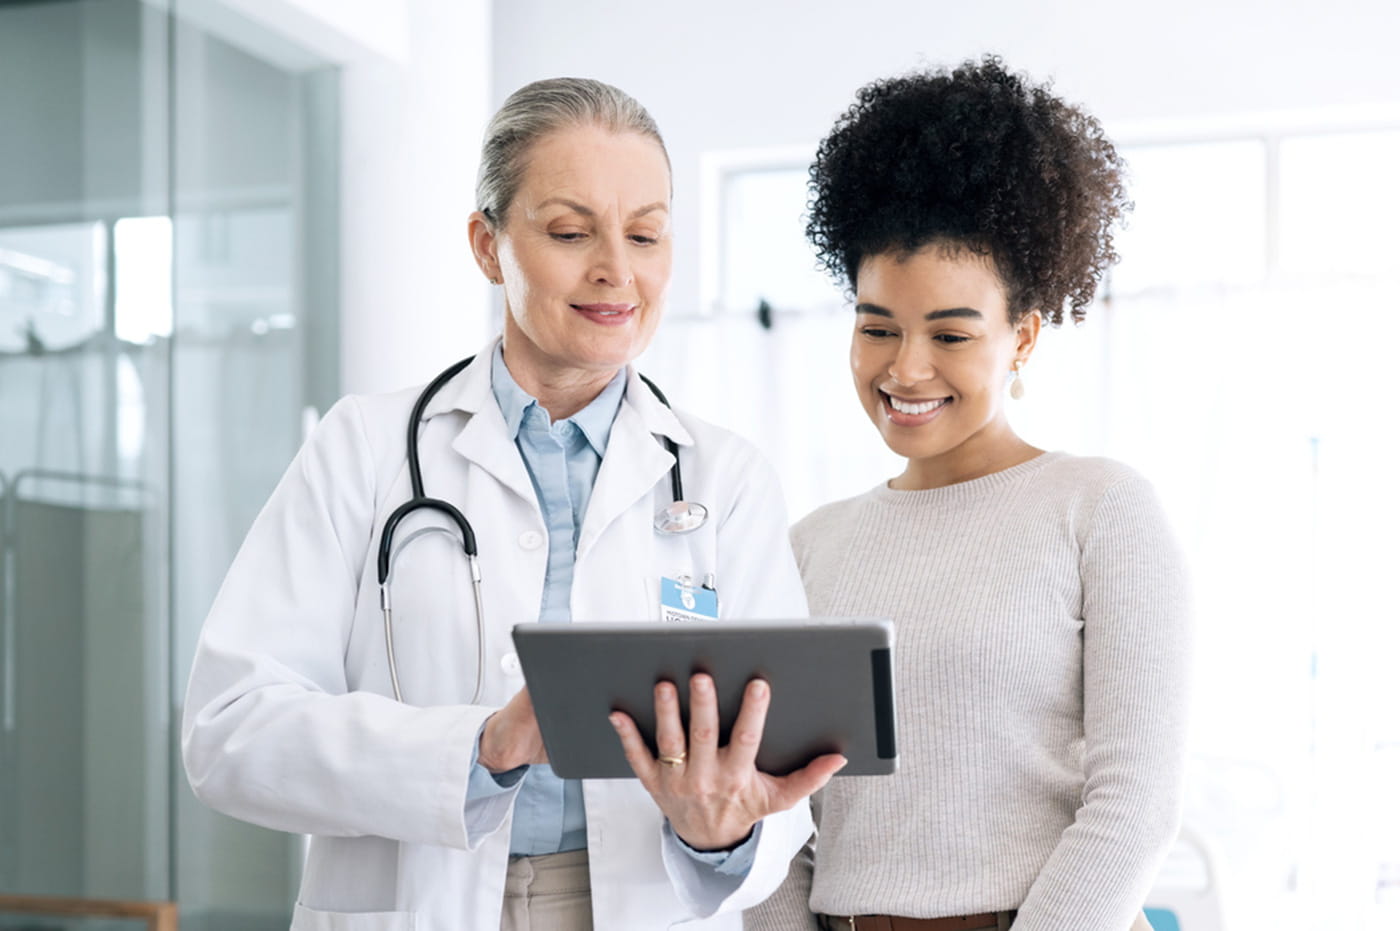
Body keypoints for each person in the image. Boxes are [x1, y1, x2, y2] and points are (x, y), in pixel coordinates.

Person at [181, 77, 844, 931]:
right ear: (488, 246)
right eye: (571, 231)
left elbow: (777, 766)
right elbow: (229, 730)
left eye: (646, 233)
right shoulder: (362, 449)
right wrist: (482, 747)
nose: (617, 268)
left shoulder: (723, 478)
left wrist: (720, 832)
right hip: (422, 899)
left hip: (638, 904)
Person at [745, 58, 1190, 931]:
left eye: (950, 332)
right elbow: (780, 813)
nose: (905, 368)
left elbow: (1134, 808)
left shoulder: (1100, 510)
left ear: (1022, 336)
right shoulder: (811, 544)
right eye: (877, 327)